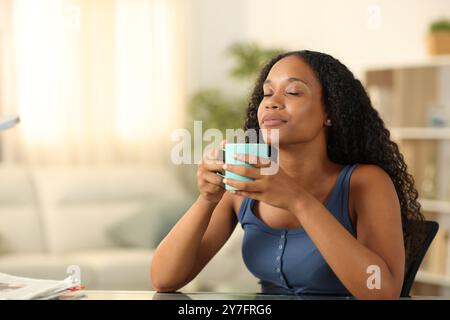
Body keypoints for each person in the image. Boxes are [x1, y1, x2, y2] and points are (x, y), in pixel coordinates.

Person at [150, 50, 424, 299]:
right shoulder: (243, 185)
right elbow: (164, 280)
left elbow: (382, 292)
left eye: (293, 92)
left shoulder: (365, 183)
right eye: (267, 94)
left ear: (330, 112)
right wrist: (207, 200)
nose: (272, 103)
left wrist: (298, 201)